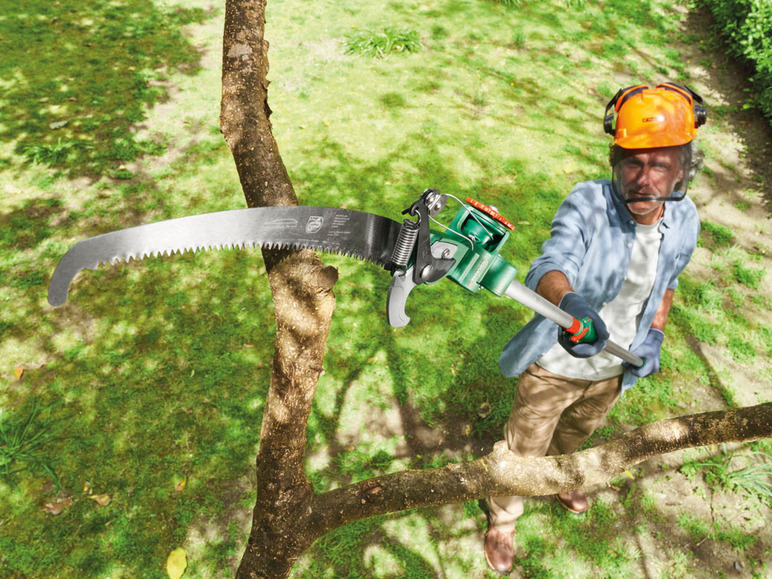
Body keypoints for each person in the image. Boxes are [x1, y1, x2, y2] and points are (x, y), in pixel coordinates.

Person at [483, 83, 707, 574]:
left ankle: (565, 475)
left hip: (615, 368)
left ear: (683, 170)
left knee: (577, 432)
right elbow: (549, 266)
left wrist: (656, 335)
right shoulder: (588, 202)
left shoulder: (685, 219)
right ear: (615, 160)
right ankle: (504, 517)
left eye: (660, 165)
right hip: (556, 364)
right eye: (632, 162)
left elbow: (667, 282)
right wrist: (569, 301)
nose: (643, 179)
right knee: (525, 447)